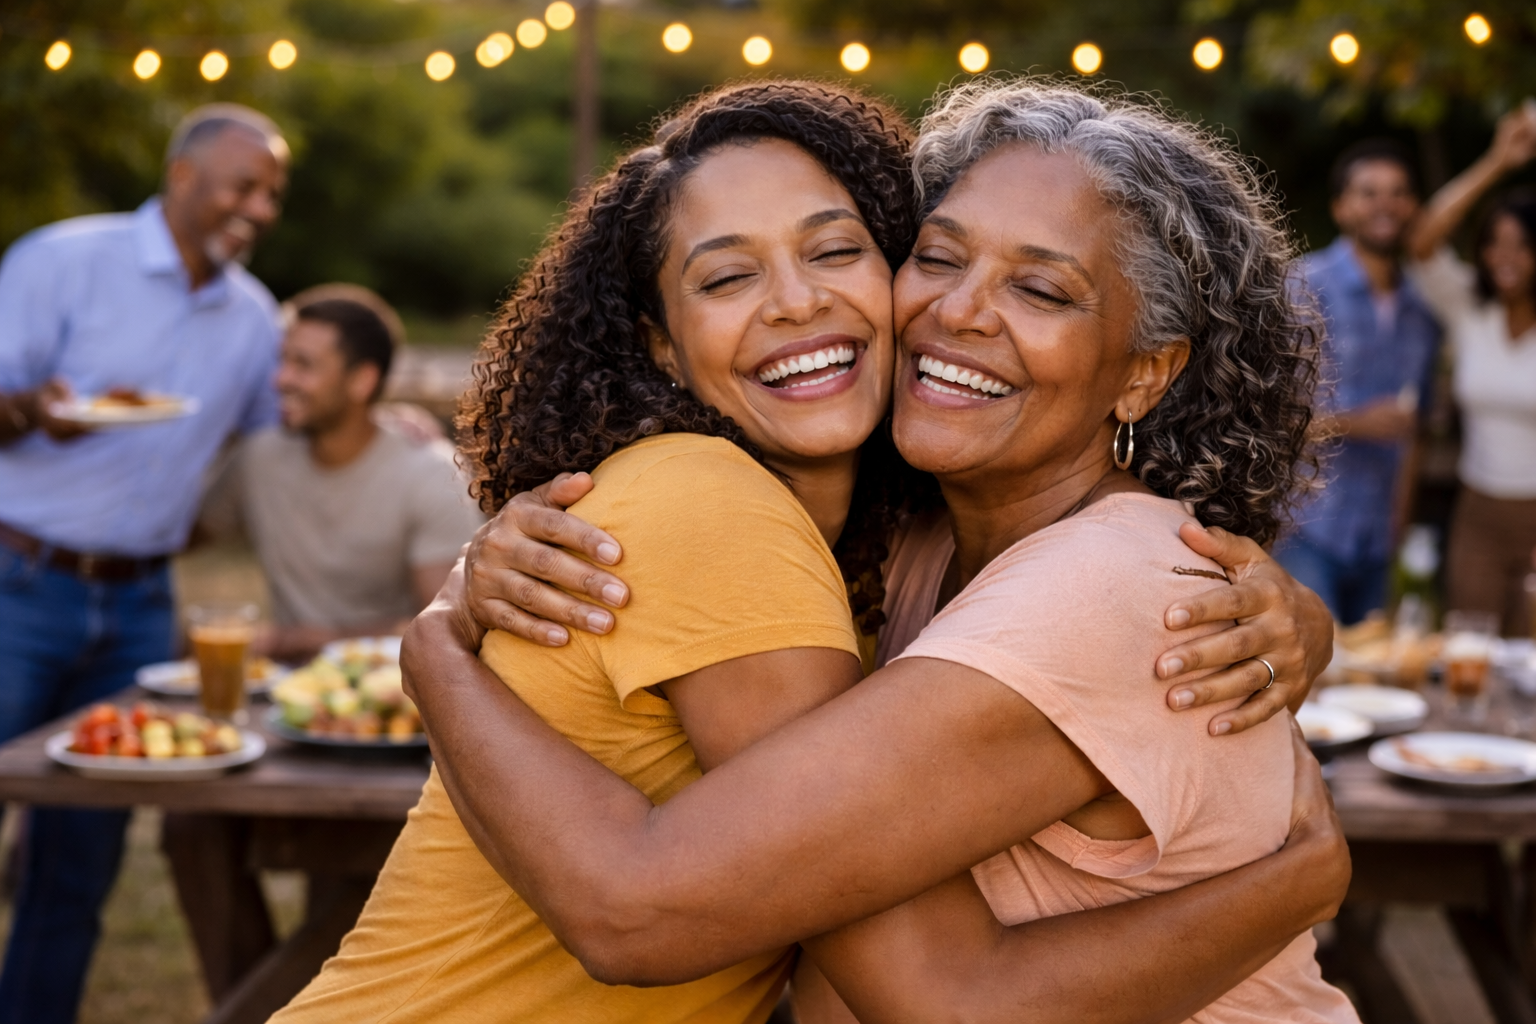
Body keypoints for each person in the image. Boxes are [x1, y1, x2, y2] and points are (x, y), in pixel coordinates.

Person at [274, 80, 1346, 1024]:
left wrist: (437, 655)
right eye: (942, 256)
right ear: (660, 338)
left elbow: (684, 917)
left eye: (1043, 288)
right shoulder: (843, 530)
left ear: (1144, 374)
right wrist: (445, 627)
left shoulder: (1061, 572)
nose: (959, 312)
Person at [0, 103, 287, 1023]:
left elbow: (274, 446)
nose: (261, 207)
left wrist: (387, 427)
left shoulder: (251, 319)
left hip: (137, 608)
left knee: (80, 861)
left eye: (274, 193)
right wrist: (26, 413)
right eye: (246, 184)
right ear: (182, 177)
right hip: (17, 583)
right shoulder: (64, 260)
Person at [199, 285, 483, 662]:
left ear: (362, 381)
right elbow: (177, 535)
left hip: (389, 694)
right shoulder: (259, 457)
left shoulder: (431, 475)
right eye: (282, 360)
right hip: (275, 689)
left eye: (304, 365)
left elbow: (450, 628)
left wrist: (310, 640)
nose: (280, 380)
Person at [1274, 139, 1441, 625]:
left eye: (1397, 193)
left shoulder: (1424, 307)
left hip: (1379, 539)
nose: (1384, 205)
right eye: (1368, 193)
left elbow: (1417, 432)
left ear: (1412, 206)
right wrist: (1357, 422)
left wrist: (1400, 528)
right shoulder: (1302, 286)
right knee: (1309, 686)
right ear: (1340, 207)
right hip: (1306, 529)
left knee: (1373, 684)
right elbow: (1264, 416)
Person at [1407, 102, 1536, 635]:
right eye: (1494, 244)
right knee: (1471, 655)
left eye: (1523, 245)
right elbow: (1422, 241)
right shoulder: (1468, 309)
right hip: (1476, 515)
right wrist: (1497, 161)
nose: (1505, 256)